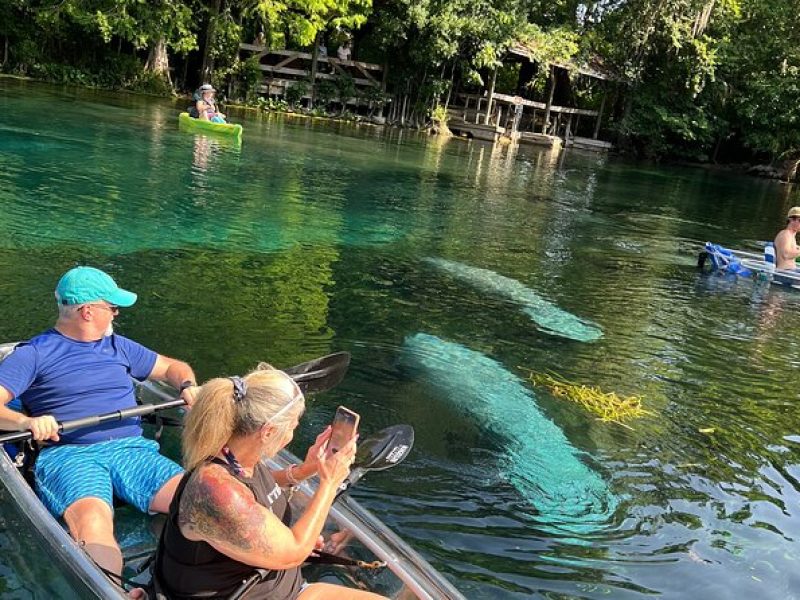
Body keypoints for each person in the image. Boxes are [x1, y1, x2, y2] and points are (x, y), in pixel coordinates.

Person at [0, 266, 199, 585]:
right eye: (112, 308)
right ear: (87, 311)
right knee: (93, 522)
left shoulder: (120, 346)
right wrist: (27, 421)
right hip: (69, 455)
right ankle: (114, 591)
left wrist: (187, 384)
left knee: (198, 500)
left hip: (132, 451)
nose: (116, 315)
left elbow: (173, 367)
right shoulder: (33, 354)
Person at [154, 366, 386, 599]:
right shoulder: (216, 488)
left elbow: (253, 490)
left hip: (283, 586)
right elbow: (294, 552)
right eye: (293, 427)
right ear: (268, 432)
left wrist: (306, 470)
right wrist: (330, 482)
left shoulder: (235, 454)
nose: (291, 436)